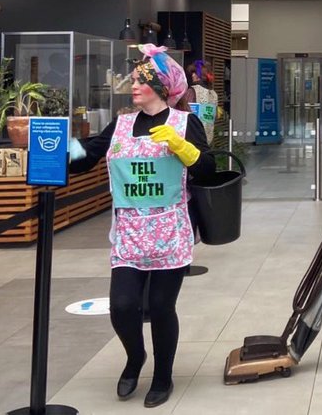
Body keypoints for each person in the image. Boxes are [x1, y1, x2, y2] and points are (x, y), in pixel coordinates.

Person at [68, 44, 214, 408]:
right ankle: (135, 357)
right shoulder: (119, 125)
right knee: (121, 306)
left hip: (170, 230)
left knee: (163, 307)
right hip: (128, 234)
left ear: (162, 88)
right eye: (134, 79)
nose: (133, 85)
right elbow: (86, 157)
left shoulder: (185, 123)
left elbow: (207, 170)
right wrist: (51, 149)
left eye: (141, 81)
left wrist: (184, 148)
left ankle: (162, 376)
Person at [187, 59, 219, 142]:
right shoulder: (213, 94)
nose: (192, 75)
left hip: (193, 136)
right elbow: (214, 117)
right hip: (207, 138)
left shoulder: (192, 91)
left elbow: (185, 113)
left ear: (200, 75)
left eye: (195, 73)